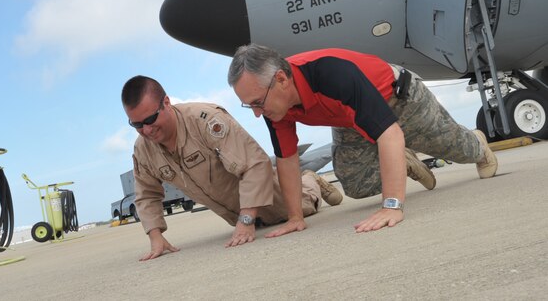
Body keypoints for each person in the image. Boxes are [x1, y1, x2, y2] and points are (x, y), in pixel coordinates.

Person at [228, 45, 498, 237]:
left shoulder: (329, 73)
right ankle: (400, 161)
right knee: (356, 184)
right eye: (248, 106)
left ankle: (478, 145)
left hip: (397, 99)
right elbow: (287, 160)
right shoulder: (273, 106)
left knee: (456, 147)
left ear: (282, 79)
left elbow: (389, 131)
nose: (256, 113)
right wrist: (295, 217)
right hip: (350, 120)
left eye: (257, 103)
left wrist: (392, 206)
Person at [121, 75, 343, 260]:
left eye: (150, 119)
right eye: (137, 124)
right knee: (263, 223)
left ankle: (310, 180)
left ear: (166, 102)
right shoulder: (143, 149)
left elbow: (255, 164)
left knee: (300, 206)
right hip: (235, 214)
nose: (147, 130)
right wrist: (155, 236)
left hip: (267, 198)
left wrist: (246, 220)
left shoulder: (205, 121)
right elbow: (146, 194)